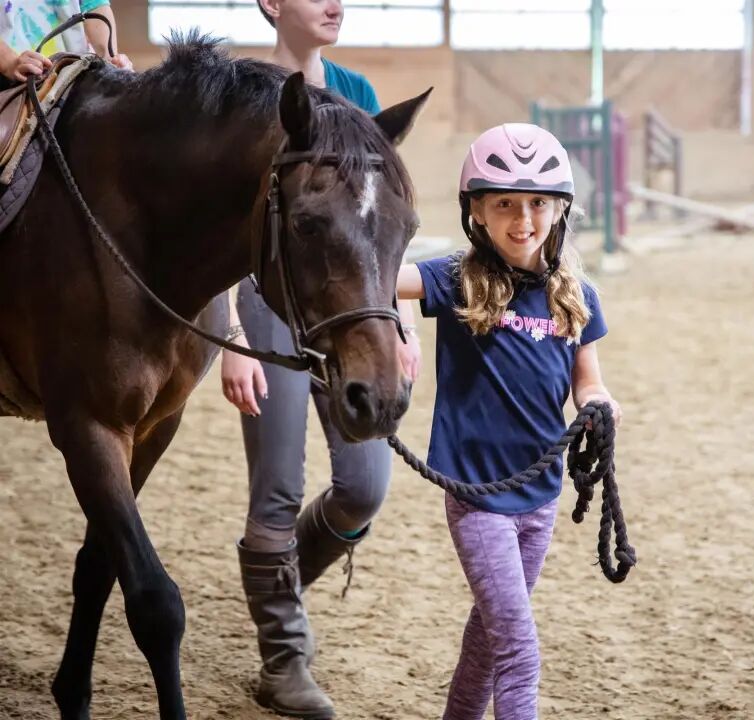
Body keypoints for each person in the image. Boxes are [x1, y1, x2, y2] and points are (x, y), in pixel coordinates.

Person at [220, 1, 421, 717]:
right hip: (263, 304)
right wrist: (233, 338)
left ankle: (277, 590)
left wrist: (399, 325)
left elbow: (373, 228)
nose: (336, 3)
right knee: (276, 490)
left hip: (342, 313)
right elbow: (206, 225)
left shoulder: (359, 97)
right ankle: (283, 659)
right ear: (272, 3)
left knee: (365, 486)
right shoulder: (237, 94)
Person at [396, 123, 622, 720]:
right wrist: (401, 328)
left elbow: (587, 379)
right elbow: (381, 275)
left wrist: (599, 402)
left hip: (540, 497)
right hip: (477, 496)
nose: (523, 219)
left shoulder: (577, 295)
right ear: (477, 211)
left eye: (537, 204)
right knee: (519, 648)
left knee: (488, 639)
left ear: (559, 209)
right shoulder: (453, 279)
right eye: (505, 204)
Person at [0, 0, 132, 83]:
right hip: (9, 78)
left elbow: (93, 4)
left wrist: (110, 60)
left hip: (74, 73)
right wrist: (10, 63)